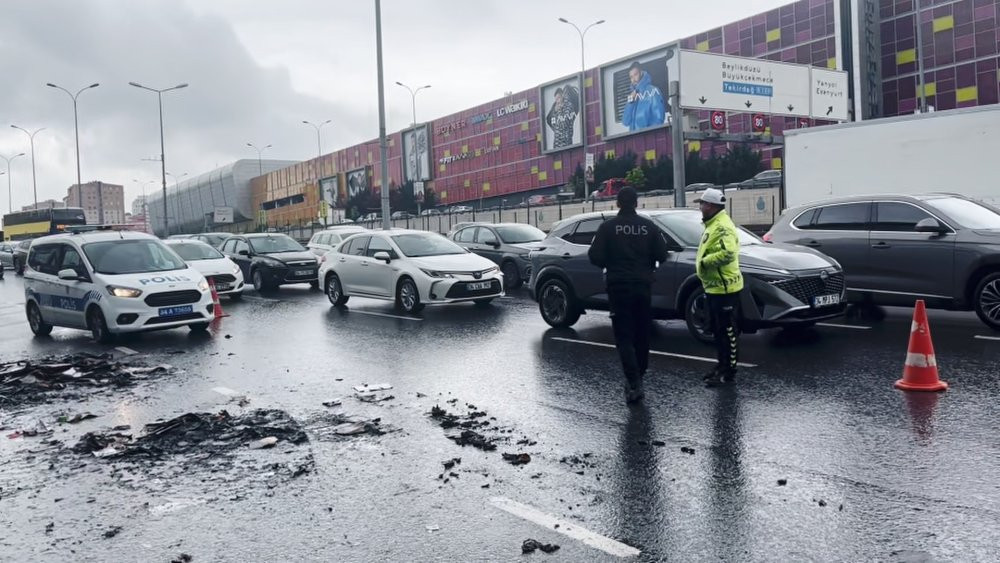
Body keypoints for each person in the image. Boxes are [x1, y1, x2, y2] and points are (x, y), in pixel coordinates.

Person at [588, 187, 669, 403]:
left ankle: (633, 382)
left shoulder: (607, 227)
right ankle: (639, 375)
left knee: (624, 336)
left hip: (618, 287)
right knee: (642, 334)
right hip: (643, 286)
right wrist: (648, 265)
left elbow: (594, 255)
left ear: (617, 203)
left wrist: (611, 264)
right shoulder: (648, 226)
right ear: (637, 203)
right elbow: (663, 254)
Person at [694, 188, 744, 387]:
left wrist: (706, 263)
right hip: (715, 288)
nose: (701, 207)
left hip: (725, 290)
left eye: (703, 204)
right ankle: (721, 365)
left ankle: (728, 372)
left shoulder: (722, 226)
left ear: (712, 206)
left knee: (728, 332)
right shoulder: (713, 224)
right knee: (717, 330)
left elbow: (728, 253)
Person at [622, 61, 666, 132]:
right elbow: (625, 122)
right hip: (634, 139)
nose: (633, 79)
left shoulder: (653, 90)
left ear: (641, 73)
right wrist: (631, 102)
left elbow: (659, 118)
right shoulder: (632, 96)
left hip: (649, 138)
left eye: (635, 74)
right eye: (631, 77)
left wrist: (649, 135)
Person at [546, 84, 580, 149]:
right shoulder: (555, 108)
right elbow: (552, 123)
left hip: (566, 143)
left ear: (562, 96)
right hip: (557, 144)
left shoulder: (568, 106)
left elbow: (565, 124)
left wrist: (559, 111)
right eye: (556, 99)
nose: (557, 101)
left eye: (558, 98)